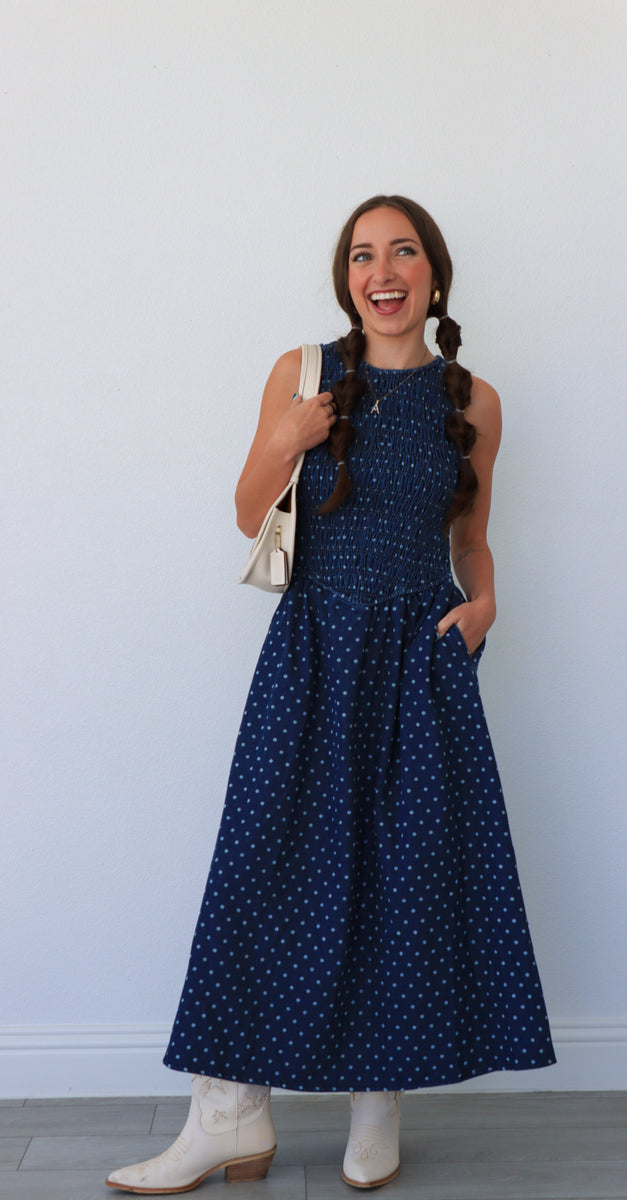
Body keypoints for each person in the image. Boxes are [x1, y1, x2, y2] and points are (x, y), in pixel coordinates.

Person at [106, 195, 555, 1195]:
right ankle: (227, 1115)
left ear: (432, 273)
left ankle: (375, 1105)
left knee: (400, 883)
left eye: (401, 252)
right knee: (262, 871)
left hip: (417, 663)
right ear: (344, 277)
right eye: (361, 256)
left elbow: (470, 538)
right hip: (309, 651)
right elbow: (242, 511)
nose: (381, 271)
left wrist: (483, 605)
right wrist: (292, 437)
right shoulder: (303, 375)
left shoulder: (472, 401)